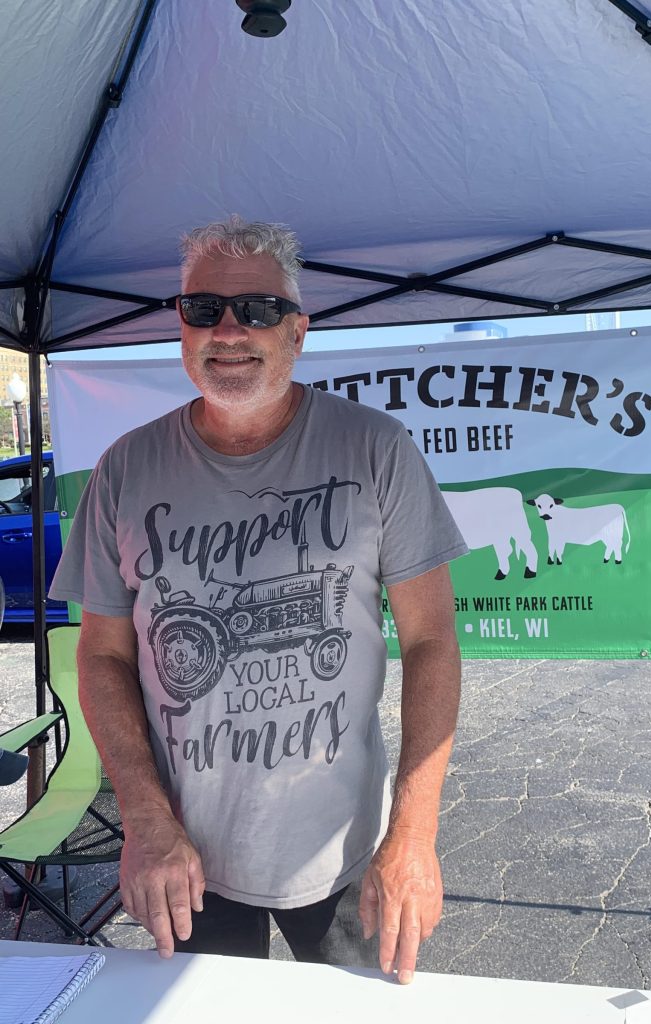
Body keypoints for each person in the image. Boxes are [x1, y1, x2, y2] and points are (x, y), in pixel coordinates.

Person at [50, 217, 467, 982]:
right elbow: (103, 655)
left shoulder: (376, 449)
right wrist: (143, 821)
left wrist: (414, 832)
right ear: (181, 325)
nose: (231, 329)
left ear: (298, 332)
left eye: (260, 310)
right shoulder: (124, 470)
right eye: (204, 309)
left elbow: (432, 641)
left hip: (346, 856)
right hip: (187, 857)